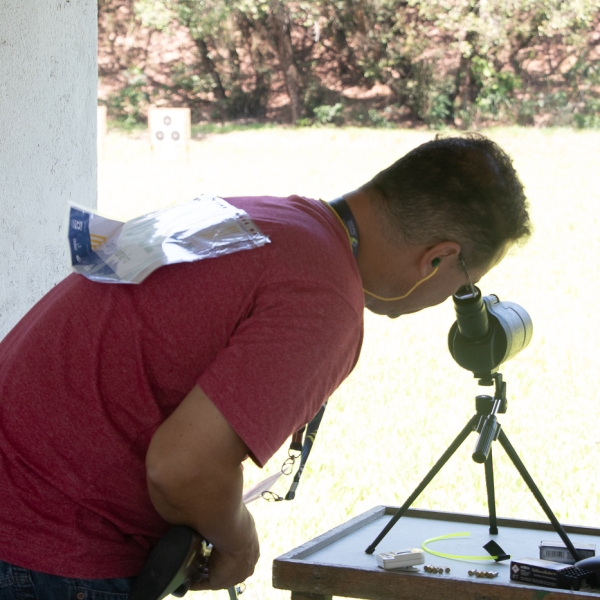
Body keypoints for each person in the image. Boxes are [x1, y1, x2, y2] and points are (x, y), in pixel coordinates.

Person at [0, 134, 531, 598]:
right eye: (463, 286)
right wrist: (239, 541)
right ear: (437, 259)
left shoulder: (268, 216)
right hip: (44, 548)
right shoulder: (325, 296)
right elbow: (183, 468)